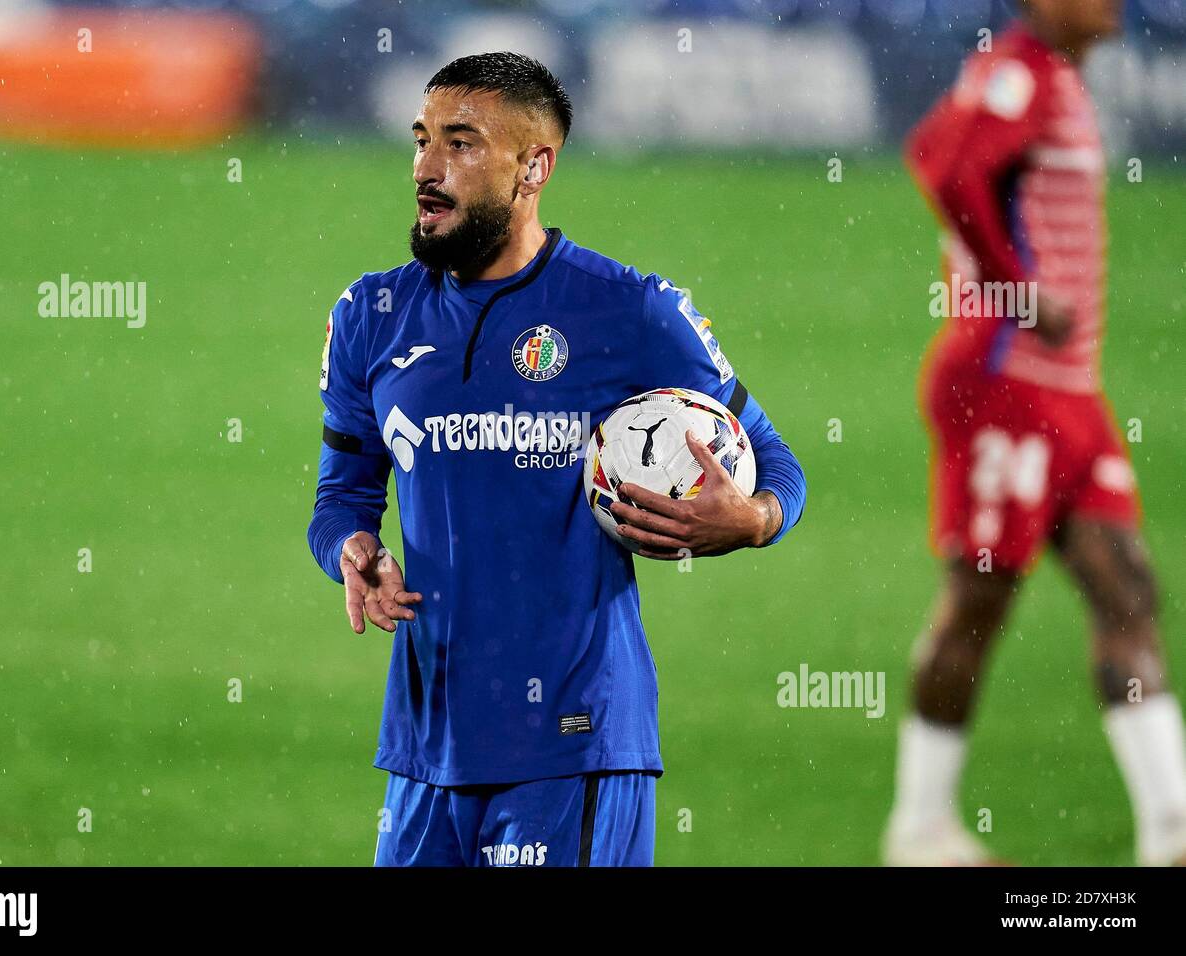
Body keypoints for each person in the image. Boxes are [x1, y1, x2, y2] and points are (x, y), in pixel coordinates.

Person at [307, 52, 805, 866]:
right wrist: (351, 551)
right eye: (423, 138)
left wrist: (752, 519)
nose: (427, 169)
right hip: (427, 745)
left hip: (575, 743)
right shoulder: (372, 314)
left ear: (534, 167)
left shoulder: (629, 311)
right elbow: (341, 500)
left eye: (462, 144)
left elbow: (778, 462)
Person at [884, 0, 1186, 866]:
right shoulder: (1017, 70)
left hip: (1070, 393)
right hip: (1004, 382)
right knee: (979, 601)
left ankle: (1172, 834)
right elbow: (941, 162)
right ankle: (920, 829)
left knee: (1126, 589)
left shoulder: (1055, 80)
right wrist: (1016, 284)